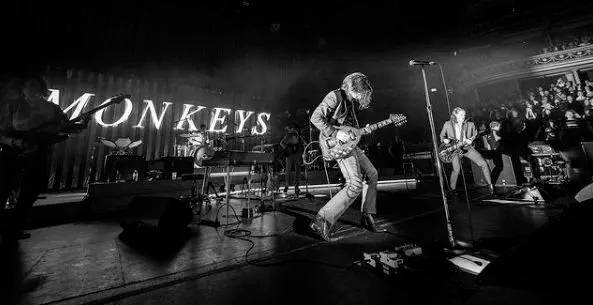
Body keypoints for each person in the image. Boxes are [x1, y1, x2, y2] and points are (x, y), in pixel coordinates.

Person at [0, 74, 88, 241]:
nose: (31, 89)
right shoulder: (13, 106)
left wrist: (83, 124)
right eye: (27, 86)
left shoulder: (53, 109)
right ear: (22, 88)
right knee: (3, 189)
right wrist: (15, 142)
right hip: (11, 154)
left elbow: (65, 128)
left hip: (38, 155)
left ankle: (14, 229)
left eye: (35, 86)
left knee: (30, 193)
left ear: (41, 88)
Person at [308, 72, 379, 241]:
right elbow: (315, 118)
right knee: (354, 184)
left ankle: (367, 214)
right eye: (359, 91)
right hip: (335, 143)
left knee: (372, 173)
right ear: (351, 87)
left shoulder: (350, 102)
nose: (361, 96)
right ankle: (321, 221)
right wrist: (334, 133)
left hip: (350, 144)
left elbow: (349, 129)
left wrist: (362, 130)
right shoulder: (335, 96)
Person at [440, 107, 494, 195]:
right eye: (461, 115)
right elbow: (442, 136)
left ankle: (490, 185)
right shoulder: (448, 124)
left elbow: (475, 134)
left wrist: (471, 139)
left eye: (464, 115)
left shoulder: (470, 124)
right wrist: (445, 140)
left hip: (467, 148)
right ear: (455, 115)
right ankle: (452, 189)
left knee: (483, 163)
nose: (463, 116)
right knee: (456, 169)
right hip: (455, 149)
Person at [279, 123, 305, 196]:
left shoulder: (299, 136)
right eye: (293, 129)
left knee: (298, 170)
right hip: (290, 155)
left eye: (295, 129)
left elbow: (301, 145)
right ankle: (286, 186)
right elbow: (281, 143)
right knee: (288, 170)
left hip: (297, 154)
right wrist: (288, 148)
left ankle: (296, 186)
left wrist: (301, 152)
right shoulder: (289, 135)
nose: (294, 130)